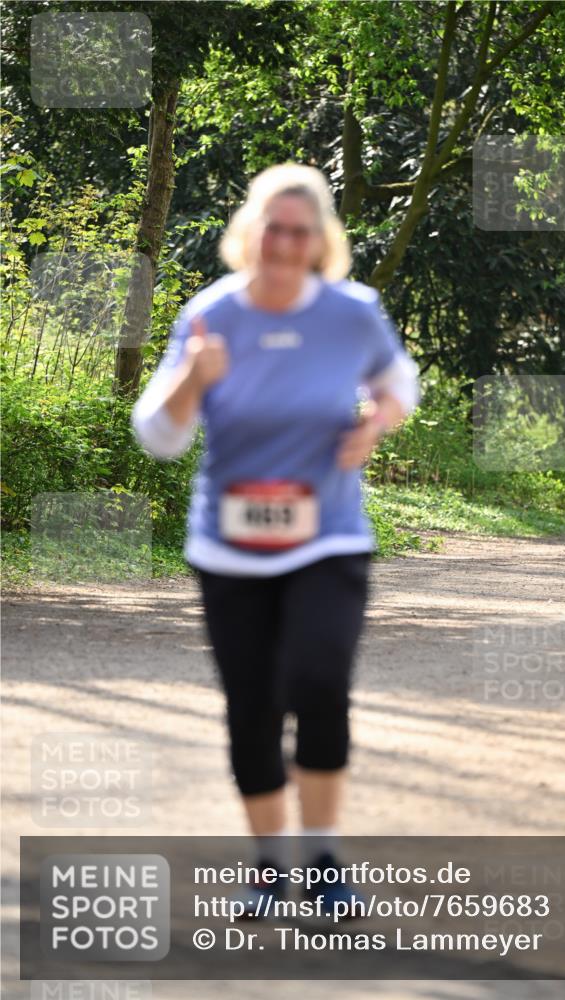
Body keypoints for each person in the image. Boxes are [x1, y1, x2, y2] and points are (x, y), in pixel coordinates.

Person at [132, 161, 420, 917]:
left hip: (326, 536)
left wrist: (374, 424)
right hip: (228, 546)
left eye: (301, 232)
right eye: (273, 228)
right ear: (249, 232)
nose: (285, 244)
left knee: (319, 681)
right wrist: (195, 378)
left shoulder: (354, 312)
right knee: (251, 704)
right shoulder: (211, 314)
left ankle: (322, 857)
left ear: (319, 241)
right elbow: (157, 436)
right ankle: (269, 865)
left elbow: (400, 383)